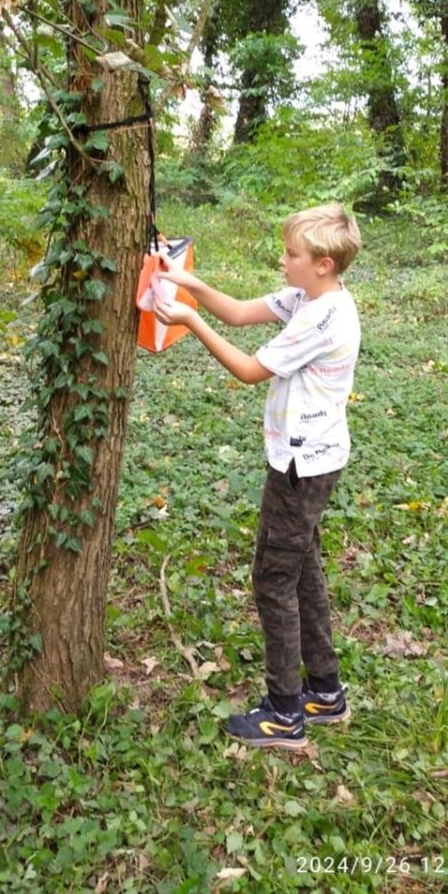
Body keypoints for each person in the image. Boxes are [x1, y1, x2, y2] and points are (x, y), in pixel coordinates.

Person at [153, 202, 362, 751]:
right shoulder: (308, 297)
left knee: (273, 579)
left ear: (323, 264)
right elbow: (242, 312)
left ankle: (284, 714)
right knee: (304, 572)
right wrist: (188, 282)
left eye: (291, 254)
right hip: (312, 459)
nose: (282, 259)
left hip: (300, 465)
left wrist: (189, 319)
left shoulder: (322, 319)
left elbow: (249, 370)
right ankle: (325, 691)